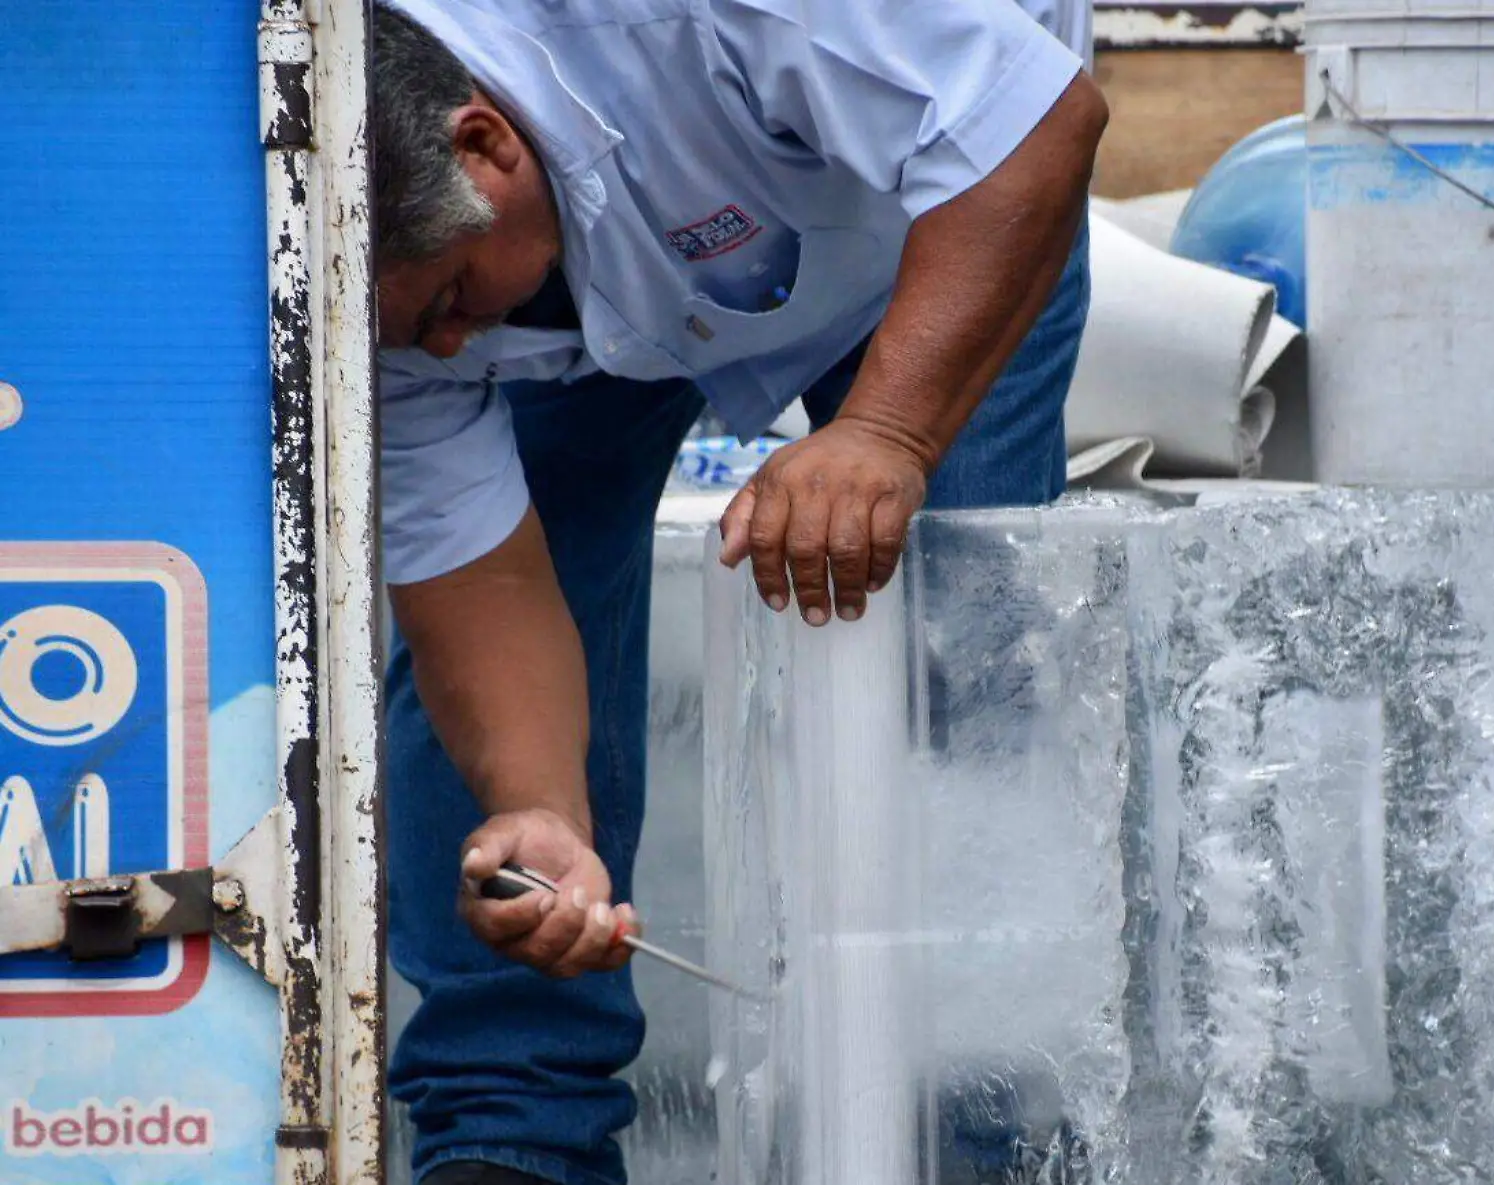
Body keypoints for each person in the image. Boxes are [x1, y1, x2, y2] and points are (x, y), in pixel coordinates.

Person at [371, 1, 1106, 1182]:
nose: (443, 349)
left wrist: (887, 431)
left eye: (445, 301)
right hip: (585, 272)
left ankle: (974, 1132)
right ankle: (512, 1134)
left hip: (949, 207)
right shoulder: (388, 289)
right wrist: (542, 811)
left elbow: (1030, 123)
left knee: (968, 657)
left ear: (484, 145)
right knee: (482, 751)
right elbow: (481, 587)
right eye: (416, 333)